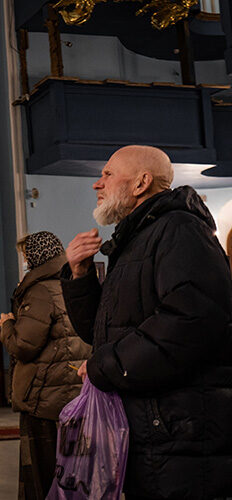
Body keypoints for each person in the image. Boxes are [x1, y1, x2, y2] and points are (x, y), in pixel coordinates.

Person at [61, 145, 232, 499]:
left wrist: (102, 367)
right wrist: (79, 276)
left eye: (108, 174)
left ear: (141, 183)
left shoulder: (180, 230)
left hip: (180, 429)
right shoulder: (138, 238)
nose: (97, 184)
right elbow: (104, 330)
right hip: (153, 426)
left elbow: (189, 321)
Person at [0, 231, 90, 500]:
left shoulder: (40, 291)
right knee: (72, 475)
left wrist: (7, 325)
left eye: (27, 255)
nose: (25, 261)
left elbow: (23, 345)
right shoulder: (74, 282)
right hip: (74, 393)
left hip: (45, 397)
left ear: (37, 256)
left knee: (44, 475)